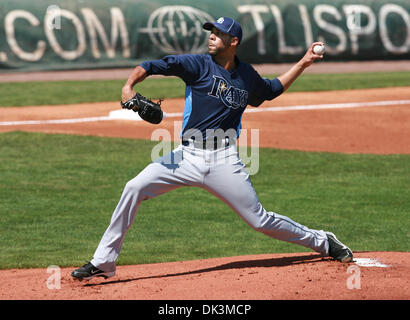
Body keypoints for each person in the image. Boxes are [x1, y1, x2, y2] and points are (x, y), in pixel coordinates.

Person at [72, 17, 353, 280]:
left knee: (259, 220)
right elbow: (153, 65)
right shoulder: (197, 65)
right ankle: (104, 262)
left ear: (234, 42)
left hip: (224, 160)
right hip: (185, 156)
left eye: (219, 34)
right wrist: (128, 86)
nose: (212, 37)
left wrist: (304, 62)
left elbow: (271, 90)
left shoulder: (246, 75)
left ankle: (323, 241)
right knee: (134, 187)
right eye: (212, 32)